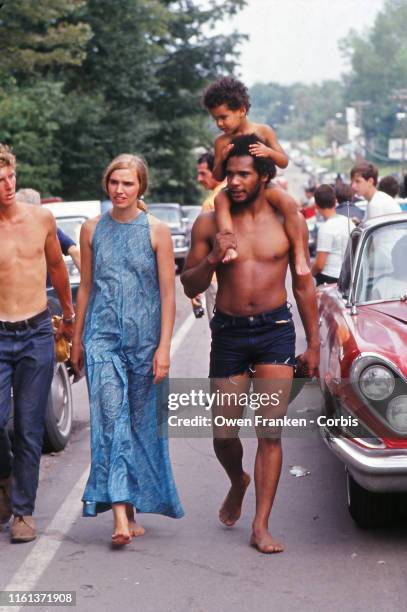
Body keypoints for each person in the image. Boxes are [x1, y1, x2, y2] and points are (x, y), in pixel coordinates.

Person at [181, 135, 319, 554]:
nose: (235, 181)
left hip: (276, 327)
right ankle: (237, 480)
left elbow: (302, 280)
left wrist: (312, 343)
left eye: (244, 174)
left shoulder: (286, 219)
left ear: (264, 177)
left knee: (270, 432)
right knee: (223, 433)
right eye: (231, 174)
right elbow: (189, 282)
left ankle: (260, 525)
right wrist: (210, 259)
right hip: (229, 332)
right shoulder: (209, 224)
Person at [71, 153, 184, 547]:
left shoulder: (157, 231)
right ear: (107, 185)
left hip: (145, 342)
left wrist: (164, 348)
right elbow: (85, 286)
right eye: (115, 183)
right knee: (109, 420)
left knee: (138, 425)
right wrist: (76, 337)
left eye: (128, 184)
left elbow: (169, 296)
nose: (120, 190)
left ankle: (132, 508)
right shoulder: (91, 230)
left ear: (141, 188)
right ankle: (119, 515)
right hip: (102, 339)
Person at [0, 144, 74, 543]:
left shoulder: (41, 218)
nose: (8, 185)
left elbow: (58, 267)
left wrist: (69, 317)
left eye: (11, 175)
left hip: (35, 333)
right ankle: (5, 479)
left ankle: (23, 513)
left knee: (29, 428)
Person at [202, 77, 309, 275]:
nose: (219, 123)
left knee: (288, 204)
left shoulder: (263, 131)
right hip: (233, 189)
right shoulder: (221, 142)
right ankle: (230, 245)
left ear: (242, 110)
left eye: (223, 117)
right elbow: (217, 176)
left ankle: (300, 253)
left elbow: (283, 161)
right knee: (220, 201)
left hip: (264, 187)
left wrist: (269, 152)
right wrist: (222, 159)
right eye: (215, 119)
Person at [192, 151, 226, 320]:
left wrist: (196, 284)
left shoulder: (212, 202)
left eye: (203, 173)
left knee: (221, 337)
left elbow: (204, 249)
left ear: (217, 171)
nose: (199, 179)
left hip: (216, 279)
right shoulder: (234, 194)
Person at [15, 188, 81, 274]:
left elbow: (74, 251)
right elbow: (74, 251)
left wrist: (86, 283)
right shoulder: (49, 229)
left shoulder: (48, 229)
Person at [311, 184, 354, 286]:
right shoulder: (348, 222)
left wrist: (310, 273)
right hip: (348, 276)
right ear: (336, 202)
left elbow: (320, 265)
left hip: (329, 278)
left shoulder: (325, 228)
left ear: (316, 206)